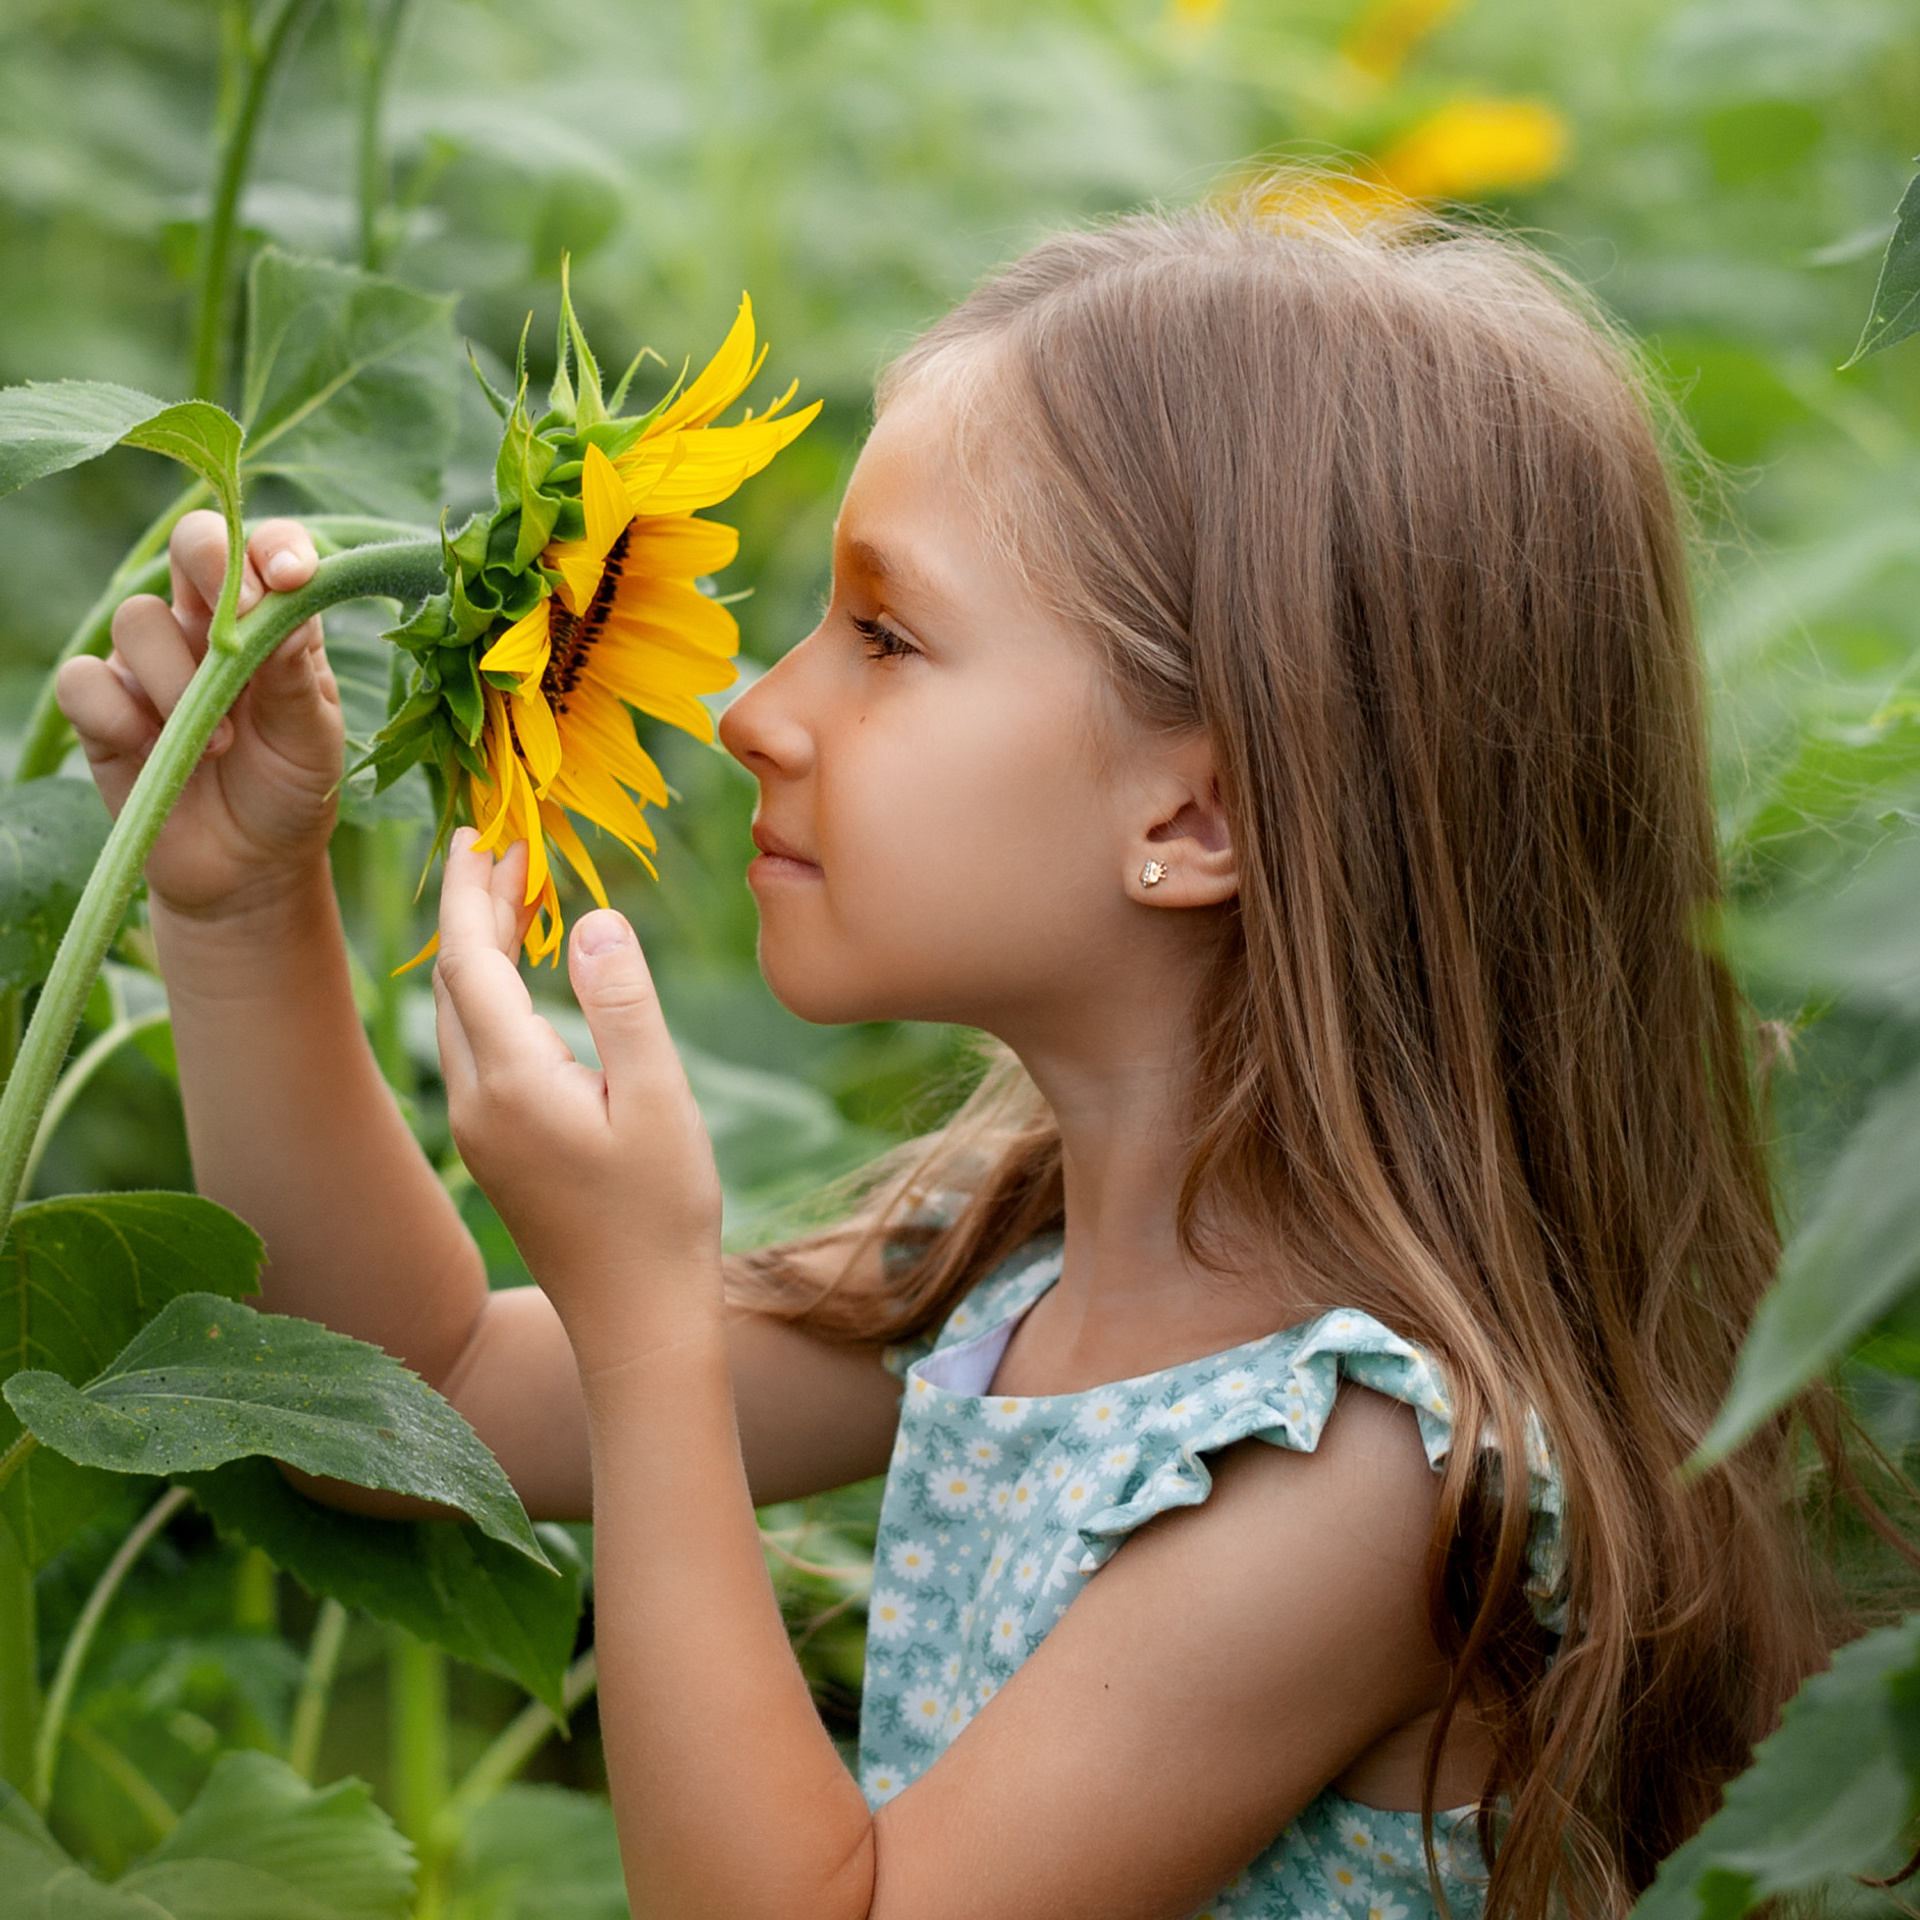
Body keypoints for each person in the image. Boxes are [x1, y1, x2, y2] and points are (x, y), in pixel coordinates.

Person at [58, 192, 1842, 1920]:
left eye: (886, 636)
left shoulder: (1357, 1475)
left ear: (1198, 809)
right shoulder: (1011, 1267)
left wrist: (651, 1321)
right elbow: (403, 1397)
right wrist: (242, 917)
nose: (756, 711)